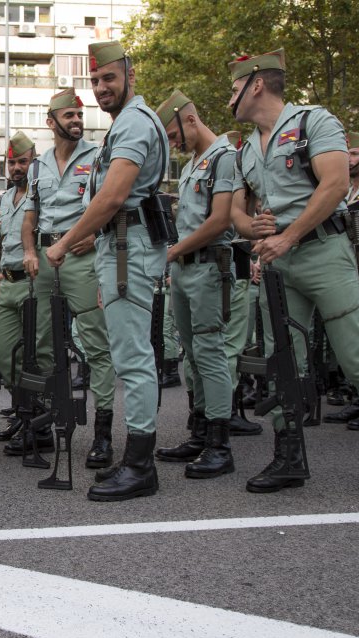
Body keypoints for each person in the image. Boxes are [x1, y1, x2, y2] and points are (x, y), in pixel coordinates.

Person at [226, 48, 359, 494]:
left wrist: (288, 237)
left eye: (234, 89)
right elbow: (238, 207)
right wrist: (250, 227)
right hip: (278, 260)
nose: (229, 98)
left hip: (323, 253)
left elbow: (334, 184)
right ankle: (288, 455)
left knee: (356, 356)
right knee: (281, 361)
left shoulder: (315, 122)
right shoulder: (247, 147)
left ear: (256, 84)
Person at [46, 41, 170, 502]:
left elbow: (113, 197)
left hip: (126, 250)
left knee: (133, 358)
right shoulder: (125, 125)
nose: (101, 88)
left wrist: (62, 242)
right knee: (127, 354)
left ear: (129, 76)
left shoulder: (135, 123)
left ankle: (140, 465)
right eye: (95, 81)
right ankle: (136, 457)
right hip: (118, 249)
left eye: (109, 79)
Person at [22, 88, 118, 467]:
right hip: (46, 259)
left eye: (80, 116)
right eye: (69, 117)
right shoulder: (37, 166)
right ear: (52, 122)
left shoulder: (99, 157)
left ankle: (103, 435)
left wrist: (93, 234)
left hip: (83, 257)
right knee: (44, 344)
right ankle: (45, 426)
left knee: (97, 346)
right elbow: (29, 218)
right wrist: (29, 251)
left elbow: (113, 202)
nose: (77, 122)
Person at [152, 90, 237, 478]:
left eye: (172, 135)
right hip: (185, 270)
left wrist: (171, 253)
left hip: (207, 267)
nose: (172, 144)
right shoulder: (192, 166)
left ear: (190, 120)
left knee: (210, 351)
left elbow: (221, 220)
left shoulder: (224, 157)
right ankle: (200, 431)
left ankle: (220, 444)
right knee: (191, 353)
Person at [0, 132, 48, 450]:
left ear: (34, 161)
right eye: (13, 162)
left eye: (23, 161)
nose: (17, 167)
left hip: (36, 282)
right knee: (5, 356)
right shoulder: (5, 200)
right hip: (7, 285)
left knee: (37, 357)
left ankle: (39, 422)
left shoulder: (43, 193)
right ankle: (24, 414)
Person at [324, 132, 359, 431]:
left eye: (355, 154)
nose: (348, 159)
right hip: (352, 269)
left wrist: (339, 251)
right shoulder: (347, 192)